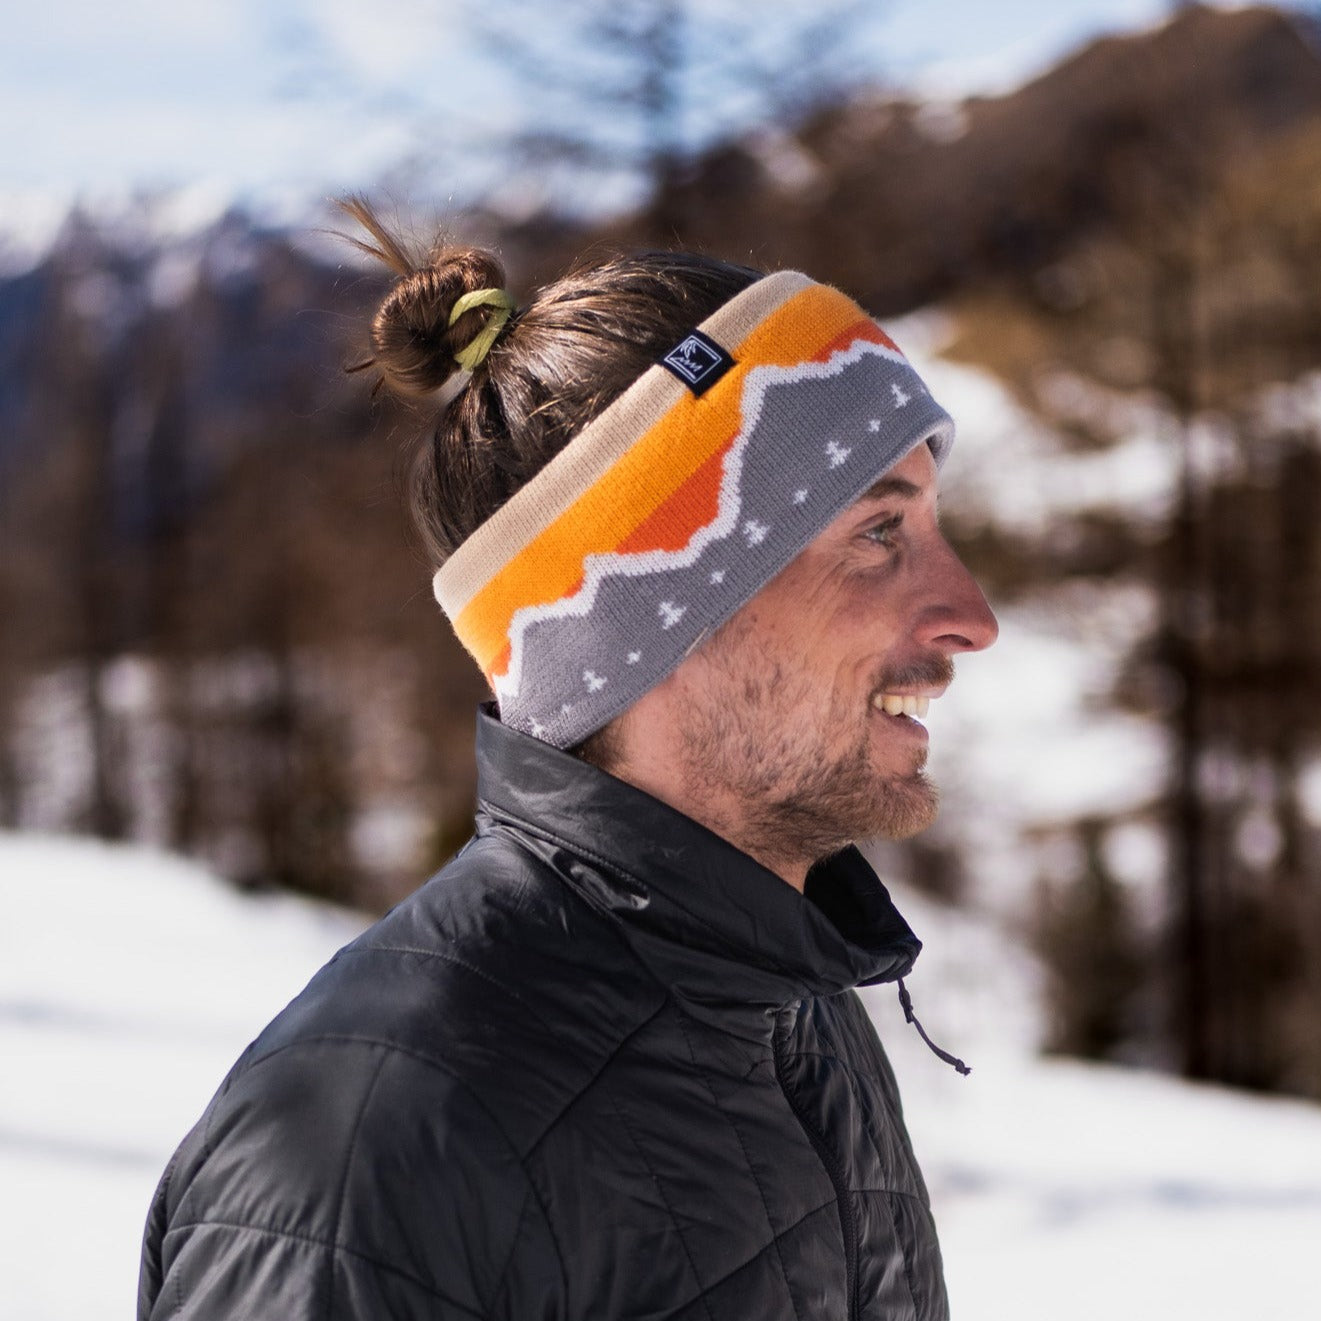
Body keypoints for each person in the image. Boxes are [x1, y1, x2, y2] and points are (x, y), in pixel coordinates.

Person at [138, 200, 997, 1321]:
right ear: (658, 613)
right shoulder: (372, 1142)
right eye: (878, 533)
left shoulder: (789, 1009)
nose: (970, 615)